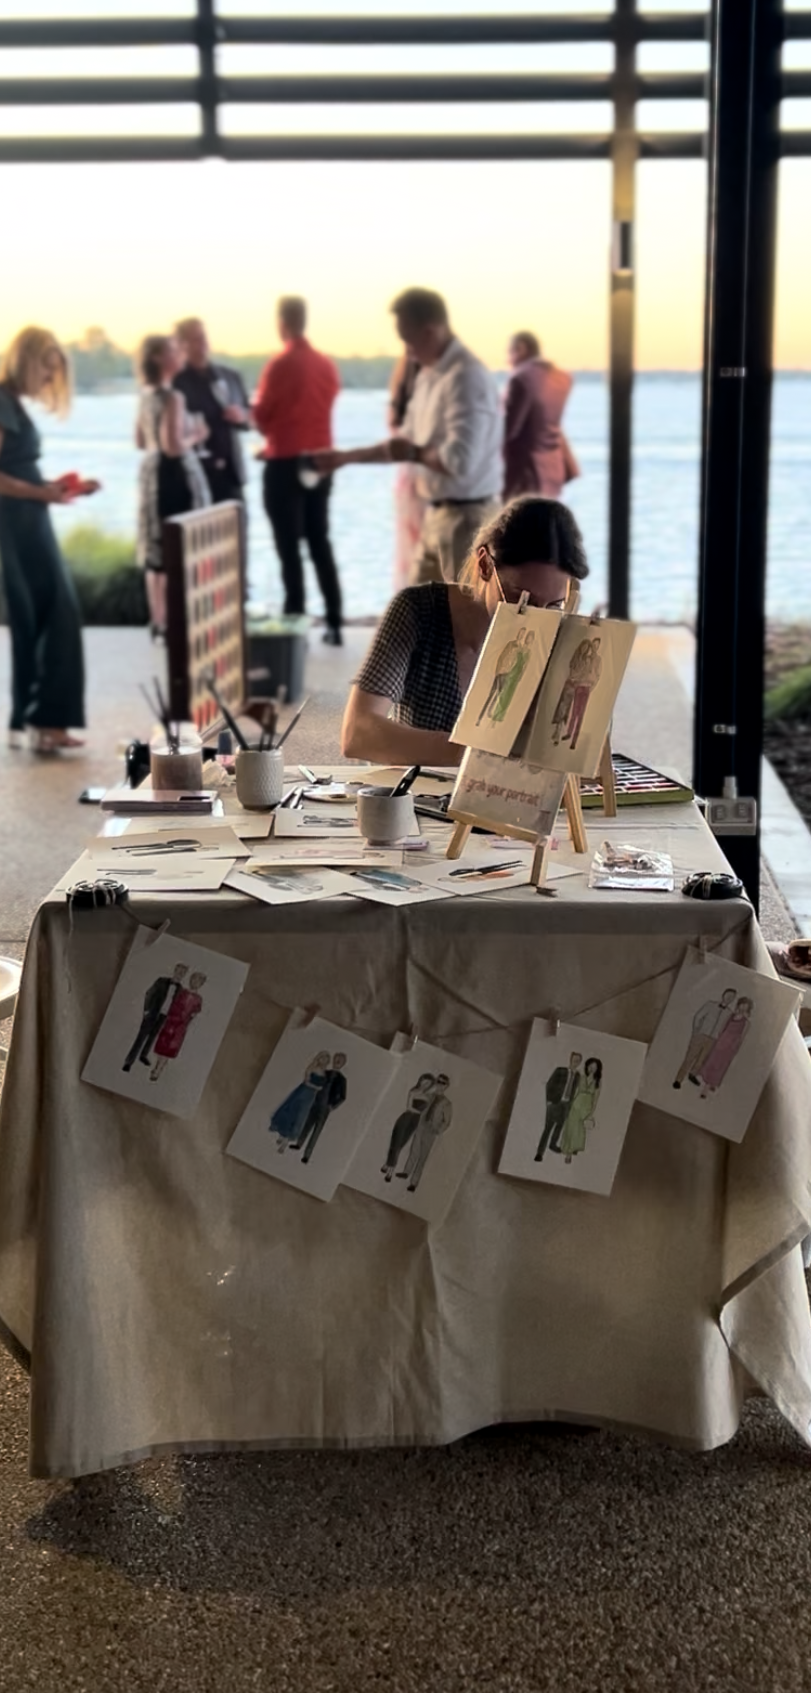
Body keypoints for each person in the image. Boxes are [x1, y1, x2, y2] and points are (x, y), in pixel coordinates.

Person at [341, 496, 589, 767]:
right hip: (424, 799)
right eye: (522, 599)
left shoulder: (559, 630)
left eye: (553, 605)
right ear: (484, 565)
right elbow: (358, 733)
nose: (535, 617)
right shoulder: (420, 613)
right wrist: (485, 755)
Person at [316, 288, 502, 586]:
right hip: (437, 516)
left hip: (467, 521)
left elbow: (459, 460)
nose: (407, 351)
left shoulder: (465, 377)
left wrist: (415, 453)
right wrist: (344, 458)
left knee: (468, 625)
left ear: (430, 331)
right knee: (415, 613)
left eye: (408, 340)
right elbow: (401, 445)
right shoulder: (429, 375)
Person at [0, 326, 100, 753]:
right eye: (47, 370)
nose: (47, 381)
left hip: (29, 519)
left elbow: (17, 471)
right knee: (54, 615)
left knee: (39, 617)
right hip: (17, 525)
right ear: (28, 359)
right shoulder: (2, 402)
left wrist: (58, 487)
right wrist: (42, 492)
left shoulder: (12, 404)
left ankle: (38, 721)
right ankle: (44, 721)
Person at [252, 296, 343, 644]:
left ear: (283, 323)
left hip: (284, 463)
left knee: (288, 546)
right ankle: (334, 621)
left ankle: (295, 624)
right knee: (319, 540)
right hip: (320, 461)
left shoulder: (279, 365)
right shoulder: (326, 366)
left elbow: (261, 416)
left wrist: (273, 435)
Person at [135, 332, 210, 641]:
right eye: (172, 351)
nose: (179, 354)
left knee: (155, 548)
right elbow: (173, 446)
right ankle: (178, 620)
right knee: (177, 546)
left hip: (150, 474)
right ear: (158, 358)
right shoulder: (172, 397)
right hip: (174, 477)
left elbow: (141, 440)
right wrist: (198, 434)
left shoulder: (144, 394)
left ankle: (158, 620)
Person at [173, 317, 251, 506]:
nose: (202, 343)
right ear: (181, 345)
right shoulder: (176, 383)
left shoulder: (231, 377)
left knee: (237, 533)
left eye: (203, 337)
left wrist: (241, 417)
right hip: (195, 477)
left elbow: (251, 419)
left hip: (232, 476)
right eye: (195, 338)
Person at [502, 332, 576, 502]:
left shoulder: (521, 379)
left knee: (521, 525)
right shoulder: (563, 378)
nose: (508, 361)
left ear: (521, 349)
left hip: (524, 473)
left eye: (509, 353)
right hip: (553, 467)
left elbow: (508, 430)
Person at [388, 350, 426, 588]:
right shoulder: (437, 396)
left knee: (409, 555)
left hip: (408, 479)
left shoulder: (400, 400)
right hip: (431, 483)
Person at [122, 962, 188, 1073]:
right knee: (141, 1037)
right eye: (178, 971)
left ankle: (143, 1055)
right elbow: (149, 993)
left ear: (184, 975)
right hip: (152, 1013)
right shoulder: (161, 981)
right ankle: (128, 1062)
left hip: (164, 1017)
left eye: (182, 973)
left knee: (152, 1037)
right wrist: (146, 1010)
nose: (179, 974)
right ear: (174, 970)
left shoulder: (181, 989)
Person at [672, 989, 736, 1089]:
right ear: (723, 995)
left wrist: (719, 1037)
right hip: (701, 1034)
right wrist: (696, 1031)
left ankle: (693, 1074)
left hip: (713, 1039)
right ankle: (678, 1079)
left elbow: (725, 1027)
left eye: (732, 997)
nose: (729, 998)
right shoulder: (710, 1004)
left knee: (702, 1059)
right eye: (728, 995)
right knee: (689, 1057)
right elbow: (698, 1016)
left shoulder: (729, 1013)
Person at [149, 971, 206, 1082]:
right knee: (162, 1046)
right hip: (170, 1021)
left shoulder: (198, 999)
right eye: (193, 979)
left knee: (170, 1048)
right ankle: (157, 1066)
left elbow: (195, 1012)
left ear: (201, 984)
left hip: (180, 1027)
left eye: (198, 981)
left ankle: (158, 1071)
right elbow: (173, 1004)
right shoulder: (182, 992)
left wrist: (187, 1020)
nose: (195, 982)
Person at [270, 1052, 330, 1150]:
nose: (323, 1060)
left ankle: (286, 1141)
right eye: (322, 1058)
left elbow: (322, 1086)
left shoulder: (324, 1073)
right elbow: (306, 1081)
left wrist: (319, 1089)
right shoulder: (312, 1067)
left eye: (325, 1059)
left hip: (310, 1097)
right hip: (302, 1092)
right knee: (291, 1112)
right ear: (318, 1058)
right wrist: (316, 1087)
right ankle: (282, 1136)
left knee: (300, 1117)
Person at [402, 1074, 452, 1193]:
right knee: (414, 1150)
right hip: (420, 1126)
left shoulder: (447, 1103)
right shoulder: (429, 1095)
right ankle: (406, 1172)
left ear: (447, 1086)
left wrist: (437, 1130)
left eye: (443, 1083)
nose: (440, 1084)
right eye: (438, 1081)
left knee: (422, 1157)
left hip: (431, 1131)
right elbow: (416, 1097)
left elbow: (447, 1121)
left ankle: (413, 1183)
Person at [381, 1073, 436, 1181]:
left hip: (414, 1123)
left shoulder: (427, 1097)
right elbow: (409, 1107)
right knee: (395, 1144)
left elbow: (426, 1113)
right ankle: (390, 1172)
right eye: (424, 1082)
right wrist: (419, 1113)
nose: (425, 1085)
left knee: (400, 1145)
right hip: (405, 1119)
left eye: (428, 1084)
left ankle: (387, 1165)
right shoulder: (413, 1092)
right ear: (420, 1081)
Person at [696, 997, 753, 1098]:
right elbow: (722, 1029)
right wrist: (719, 1040)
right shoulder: (730, 1016)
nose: (743, 1007)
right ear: (738, 1005)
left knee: (720, 1066)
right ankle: (710, 1083)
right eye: (742, 1004)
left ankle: (706, 1088)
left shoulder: (746, 1022)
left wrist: (734, 1049)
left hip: (730, 1047)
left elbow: (742, 1038)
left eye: (746, 1006)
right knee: (712, 1062)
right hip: (721, 1042)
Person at [299, 1053, 348, 1164]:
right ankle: (298, 1144)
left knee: (317, 1130)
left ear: (343, 1064)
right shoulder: (325, 1073)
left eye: (340, 1061)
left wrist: (333, 1106)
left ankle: (307, 1155)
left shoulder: (342, 1079)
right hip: (316, 1103)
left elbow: (343, 1097)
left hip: (326, 1106)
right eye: (336, 1059)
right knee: (307, 1124)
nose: (337, 1062)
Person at [535, 1052, 582, 1161]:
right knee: (547, 1128)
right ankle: (539, 1153)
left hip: (566, 1105)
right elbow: (549, 1084)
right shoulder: (560, 1071)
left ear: (580, 1062)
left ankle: (553, 1145)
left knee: (559, 1126)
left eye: (578, 1060)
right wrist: (549, 1101)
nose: (576, 1062)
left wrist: (570, 1105)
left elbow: (574, 1090)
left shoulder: (578, 1076)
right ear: (570, 1059)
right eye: (574, 1059)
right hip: (555, 1103)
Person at [560, 1056, 602, 1164]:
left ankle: (572, 1149)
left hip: (586, 1107)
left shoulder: (598, 1081)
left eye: (594, 1067)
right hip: (576, 1103)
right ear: (587, 1066)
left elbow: (595, 1099)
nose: (591, 1069)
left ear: (597, 1069)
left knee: (579, 1130)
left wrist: (591, 1113)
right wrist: (569, 1104)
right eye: (590, 1066)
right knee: (571, 1127)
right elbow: (575, 1091)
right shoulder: (581, 1077)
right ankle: (568, 1153)